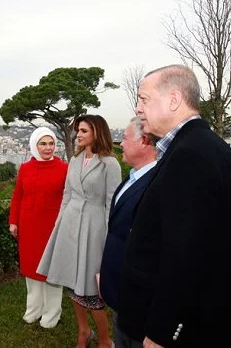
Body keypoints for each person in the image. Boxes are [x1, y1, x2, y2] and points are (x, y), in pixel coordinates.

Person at [117, 64, 231, 348]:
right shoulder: (195, 146)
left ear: (174, 99)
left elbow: (186, 255)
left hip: (160, 327)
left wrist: (162, 331)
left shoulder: (191, 155)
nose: (138, 108)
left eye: (144, 99)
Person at [37, 114, 121, 348]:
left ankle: (105, 340)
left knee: (92, 291)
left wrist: (107, 240)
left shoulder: (109, 163)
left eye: (84, 130)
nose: (79, 135)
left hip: (94, 229)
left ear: (97, 132)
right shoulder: (74, 160)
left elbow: (111, 203)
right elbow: (67, 195)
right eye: (78, 131)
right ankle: (83, 332)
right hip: (70, 226)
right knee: (73, 285)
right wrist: (59, 225)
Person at [98, 116, 157, 344]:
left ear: (144, 141)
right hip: (121, 295)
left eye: (124, 138)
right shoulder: (131, 178)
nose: (120, 143)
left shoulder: (155, 184)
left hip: (139, 302)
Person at [9, 127, 68, 328]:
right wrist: (13, 221)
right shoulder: (25, 168)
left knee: (52, 273)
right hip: (29, 227)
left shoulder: (64, 168)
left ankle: (51, 316)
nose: (48, 148)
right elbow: (18, 196)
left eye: (51, 143)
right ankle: (33, 311)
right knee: (31, 270)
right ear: (35, 145)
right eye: (43, 143)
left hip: (52, 227)